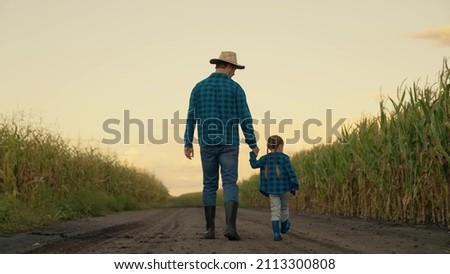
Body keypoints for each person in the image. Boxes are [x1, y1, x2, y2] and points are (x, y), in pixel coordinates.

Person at [184, 51, 260, 241]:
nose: (234, 73)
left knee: (209, 184)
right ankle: (230, 227)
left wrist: (188, 143)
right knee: (229, 183)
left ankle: (210, 230)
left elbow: (191, 117)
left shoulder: (198, 88)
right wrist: (252, 143)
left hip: (207, 142)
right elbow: (245, 118)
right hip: (229, 142)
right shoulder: (236, 89)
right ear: (229, 66)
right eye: (234, 69)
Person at [249, 135, 299, 241]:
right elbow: (291, 173)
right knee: (284, 208)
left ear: (269, 146)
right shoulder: (285, 158)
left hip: (271, 190)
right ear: (280, 146)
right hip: (285, 189)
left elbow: (254, 164)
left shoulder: (264, 159)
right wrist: (295, 186)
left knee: (275, 211)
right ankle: (284, 226)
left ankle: (276, 234)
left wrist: (253, 154)